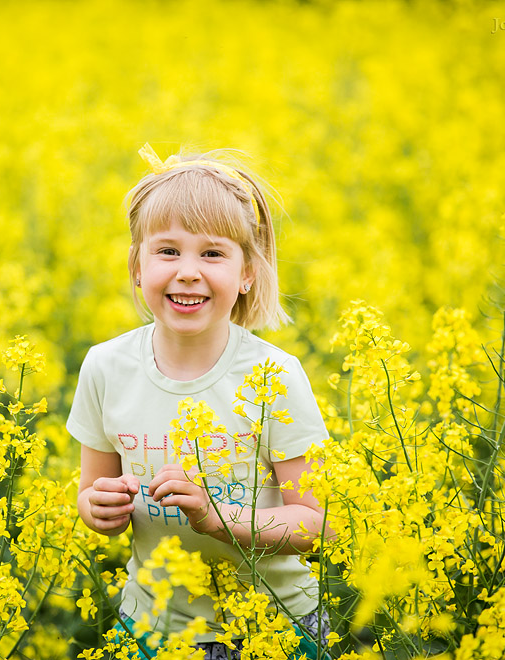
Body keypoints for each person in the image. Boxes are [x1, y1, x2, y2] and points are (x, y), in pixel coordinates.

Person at [68, 143, 329, 659]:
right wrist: (99, 509)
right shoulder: (105, 367)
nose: (188, 271)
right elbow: (90, 490)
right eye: (168, 251)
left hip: (274, 626)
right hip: (153, 627)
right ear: (137, 265)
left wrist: (217, 519)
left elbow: (315, 521)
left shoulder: (274, 375)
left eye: (212, 254)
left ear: (247, 272)